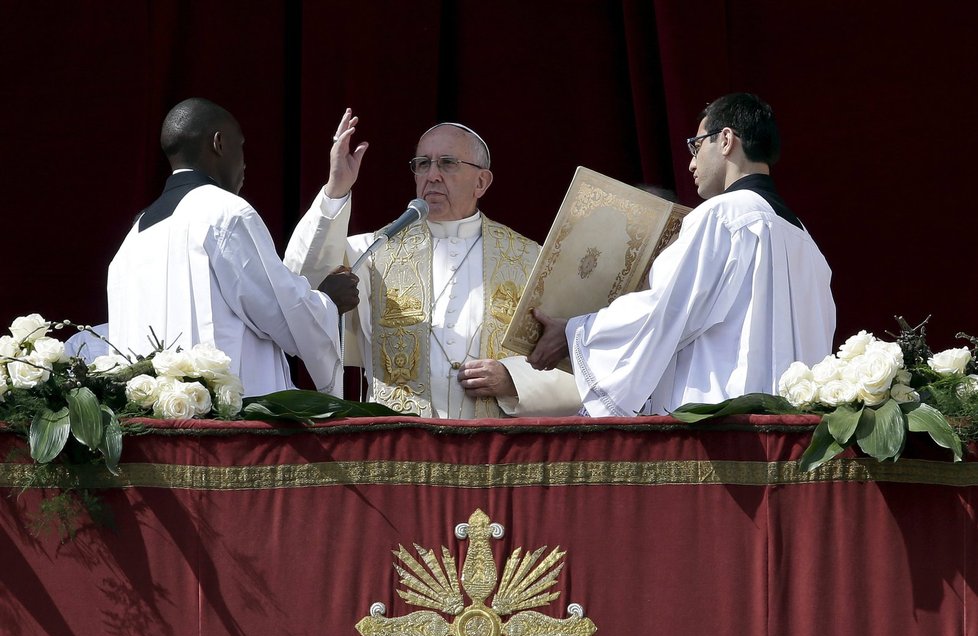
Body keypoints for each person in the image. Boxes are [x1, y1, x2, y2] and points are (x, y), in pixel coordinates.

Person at [528, 92, 835, 417]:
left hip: (721, 425)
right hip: (792, 432)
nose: (691, 162)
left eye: (696, 145)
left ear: (726, 139)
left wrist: (576, 332)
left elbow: (665, 309)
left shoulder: (722, 215)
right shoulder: (805, 241)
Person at [284, 112, 581, 418]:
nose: (432, 174)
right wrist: (336, 190)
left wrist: (514, 381)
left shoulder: (532, 260)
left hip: (495, 452)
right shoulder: (373, 251)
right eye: (422, 164)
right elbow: (301, 286)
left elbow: (579, 361)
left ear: (481, 181)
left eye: (447, 163)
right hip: (400, 447)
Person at [107, 98, 359, 397]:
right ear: (219, 143)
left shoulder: (131, 240)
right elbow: (280, 310)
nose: (244, 164)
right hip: (227, 425)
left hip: (156, 427)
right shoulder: (225, 214)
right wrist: (329, 301)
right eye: (241, 148)